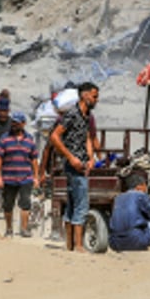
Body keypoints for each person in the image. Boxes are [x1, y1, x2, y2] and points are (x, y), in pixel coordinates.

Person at [49, 81, 99, 252]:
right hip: (74, 166)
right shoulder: (72, 114)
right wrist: (71, 158)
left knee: (72, 204)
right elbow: (55, 137)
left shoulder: (86, 116)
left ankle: (70, 245)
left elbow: (86, 137)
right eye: (94, 96)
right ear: (85, 95)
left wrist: (91, 157)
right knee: (81, 204)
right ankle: (78, 246)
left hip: (82, 164)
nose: (96, 100)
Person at [0, 111, 40, 237]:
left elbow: (34, 159)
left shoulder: (29, 139)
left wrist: (36, 177)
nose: (13, 125)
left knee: (25, 203)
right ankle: (9, 228)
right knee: (8, 204)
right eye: (12, 122)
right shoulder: (4, 138)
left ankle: (24, 229)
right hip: (9, 178)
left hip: (26, 177)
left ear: (23, 124)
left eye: (16, 123)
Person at [108, 174, 150, 252]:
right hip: (136, 242)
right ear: (139, 186)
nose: (146, 188)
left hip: (115, 243)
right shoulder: (140, 195)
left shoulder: (118, 197)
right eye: (145, 185)